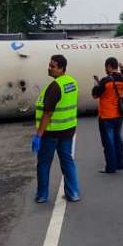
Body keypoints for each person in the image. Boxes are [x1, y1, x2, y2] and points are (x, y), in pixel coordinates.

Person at [32, 54, 80, 203]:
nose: (49, 68)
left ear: (61, 68)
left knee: (44, 163)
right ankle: (73, 193)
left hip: (51, 133)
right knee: (67, 161)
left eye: (53, 66)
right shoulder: (71, 82)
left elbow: (48, 113)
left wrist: (39, 135)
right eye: (50, 65)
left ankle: (42, 195)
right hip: (68, 130)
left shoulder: (54, 87)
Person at [91, 58, 123, 174]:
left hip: (106, 115)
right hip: (119, 114)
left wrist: (96, 84)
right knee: (118, 138)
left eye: (105, 66)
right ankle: (119, 164)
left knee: (108, 142)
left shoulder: (105, 81)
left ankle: (110, 167)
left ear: (108, 66)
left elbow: (95, 95)